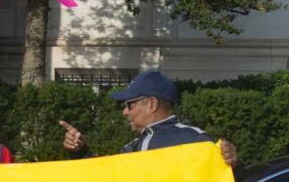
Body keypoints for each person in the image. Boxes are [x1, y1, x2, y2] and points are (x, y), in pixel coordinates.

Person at [60, 70, 238, 165]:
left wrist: (232, 163)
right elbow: (106, 178)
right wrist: (80, 151)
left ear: (152, 104)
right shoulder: (133, 146)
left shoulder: (195, 139)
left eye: (130, 104)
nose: (125, 112)